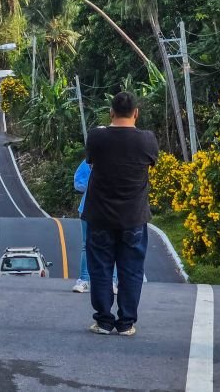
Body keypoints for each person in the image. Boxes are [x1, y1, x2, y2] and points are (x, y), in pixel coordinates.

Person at [82, 92, 158, 336]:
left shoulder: (97, 137)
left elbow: (91, 160)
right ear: (136, 113)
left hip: (100, 216)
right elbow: (151, 162)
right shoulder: (147, 139)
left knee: (100, 269)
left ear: (111, 112)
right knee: (131, 270)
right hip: (134, 217)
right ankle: (126, 323)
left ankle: (104, 321)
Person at [72, 159, 117, 295]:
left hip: (112, 209)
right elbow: (78, 182)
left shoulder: (119, 159)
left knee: (112, 245)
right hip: (89, 207)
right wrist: (93, 184)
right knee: (87, 244)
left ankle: (111, 281)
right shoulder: (90, 160)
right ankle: (84, 280)